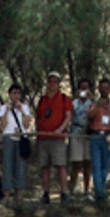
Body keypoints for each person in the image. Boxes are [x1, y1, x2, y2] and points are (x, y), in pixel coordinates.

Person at [35, 71, 71, 204]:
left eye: (55, 81)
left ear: (58, 84)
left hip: (58, 138)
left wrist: (60, 130)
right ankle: (45, 193)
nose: (52, 84)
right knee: (44, 166)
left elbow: (68, 116)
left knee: (61, 165)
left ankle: (64, 192)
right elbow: (38, 118)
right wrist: (38, 131)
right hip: (43, 138)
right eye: (50, 81)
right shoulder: (42, 99)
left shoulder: (64, 99)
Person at [87, 78, 110, 202]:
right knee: (96, 166)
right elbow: (89, 116)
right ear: (98, 89)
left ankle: (100, 190)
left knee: (105, 167)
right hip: (95, 136)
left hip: (109, 137)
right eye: (102, 88)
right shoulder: (93, 103)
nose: (104, 90)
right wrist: (98, 105)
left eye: (106, 88)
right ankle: (100, 195)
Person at [0, 84, 33, 202]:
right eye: (14, 93)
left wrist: (22, 111)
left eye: (18, 93)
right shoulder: (3, 108)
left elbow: (27, 125)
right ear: (9, 94)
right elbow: (2, 126)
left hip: (21, 137)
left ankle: (20, 195)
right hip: (8, 137)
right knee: (8, 165)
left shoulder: (25, 107)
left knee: (21, 166)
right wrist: (8, 110)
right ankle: (7, 193)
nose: (16, 95)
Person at [68, 78, 93, 196]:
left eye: (86, 87)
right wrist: (74, 97)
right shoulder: (74, 103)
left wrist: (92, 98)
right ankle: (71, 190)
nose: (84, 90)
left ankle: (86, 191)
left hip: (88, 133)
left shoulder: (92, 103)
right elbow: (67, 111)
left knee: (87, 163)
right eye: (82, 87)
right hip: (76, 132)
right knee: (76, 163)